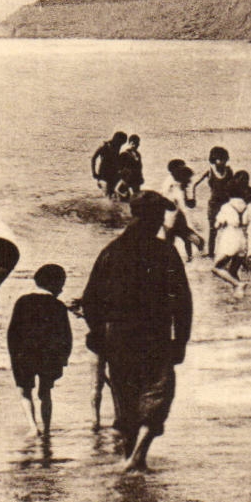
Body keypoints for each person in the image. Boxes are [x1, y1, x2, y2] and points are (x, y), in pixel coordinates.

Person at [80, 191, 193, 472]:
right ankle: (137, 458)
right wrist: (181, 340)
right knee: (158, 396)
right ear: (153, 218)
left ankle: (129, 460)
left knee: (126, 399)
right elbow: (182, 301)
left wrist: (99, 333)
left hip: (117, 336)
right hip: (154, 335)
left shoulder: (111, 251)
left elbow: (89, 299)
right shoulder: (165, 252)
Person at [8, 264, 73, 437]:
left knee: (24, 391)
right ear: (55, 284)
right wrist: (63, 358)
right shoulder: (59, 306)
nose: (62, 288)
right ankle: (46, 428)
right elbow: (66, 336)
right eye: (61, 283)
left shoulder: (22, 301)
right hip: (48, 356)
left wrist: (14, 355)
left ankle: (32, 426)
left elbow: (13, 332)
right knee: (46, 392)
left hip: (24, 354)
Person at [210, 175, 251, 289]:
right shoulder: (248, 207)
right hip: (244, 240)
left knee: (216, 268)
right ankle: (238, 293)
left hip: (231, 239)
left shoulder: (226, 207)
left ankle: (238, 285)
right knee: (233, 271)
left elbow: (217, 225)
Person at [162, 160, 206, 261]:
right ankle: (196, 244)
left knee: (172, 237)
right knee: (183, 236)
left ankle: (191, 250)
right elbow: (183, 205)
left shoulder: (173, 183)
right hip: (174, 215)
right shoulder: (174, 185)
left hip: (171, 217)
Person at [196, 146, 235, 257]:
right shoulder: (209, 171)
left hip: (227, 204)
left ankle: (228, 252)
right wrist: (191, 197)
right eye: (220, 159)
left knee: (229, 229)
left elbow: (234, 186)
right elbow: (194, 183)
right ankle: (211, 253)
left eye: (224, 159)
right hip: (214, 204)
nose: (222, 161)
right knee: (213, 230)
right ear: (213, 159)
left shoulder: (229, 171)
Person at [92, 132, 128, 200]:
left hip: (113, 171)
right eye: (121, 142)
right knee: (108, 193)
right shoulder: (104, 146)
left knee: (112, 191)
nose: (121, 145)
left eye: (122, 143)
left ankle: (114, 200)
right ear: (116, 139)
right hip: (104, 171)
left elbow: (116, 160)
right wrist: (94, 172)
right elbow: (94, 158)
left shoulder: (117, 146)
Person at [118, 134, 145, 199]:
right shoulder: (124, 154)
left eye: (137, 143)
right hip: (127, 178)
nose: (135, 145)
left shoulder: (138, 154)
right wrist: (123, 177)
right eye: (133, 143)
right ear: (129, 143)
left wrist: (141, 176)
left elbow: (140, 166)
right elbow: (119, 168)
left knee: (137, 196)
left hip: (136, 178)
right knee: (123, 195)